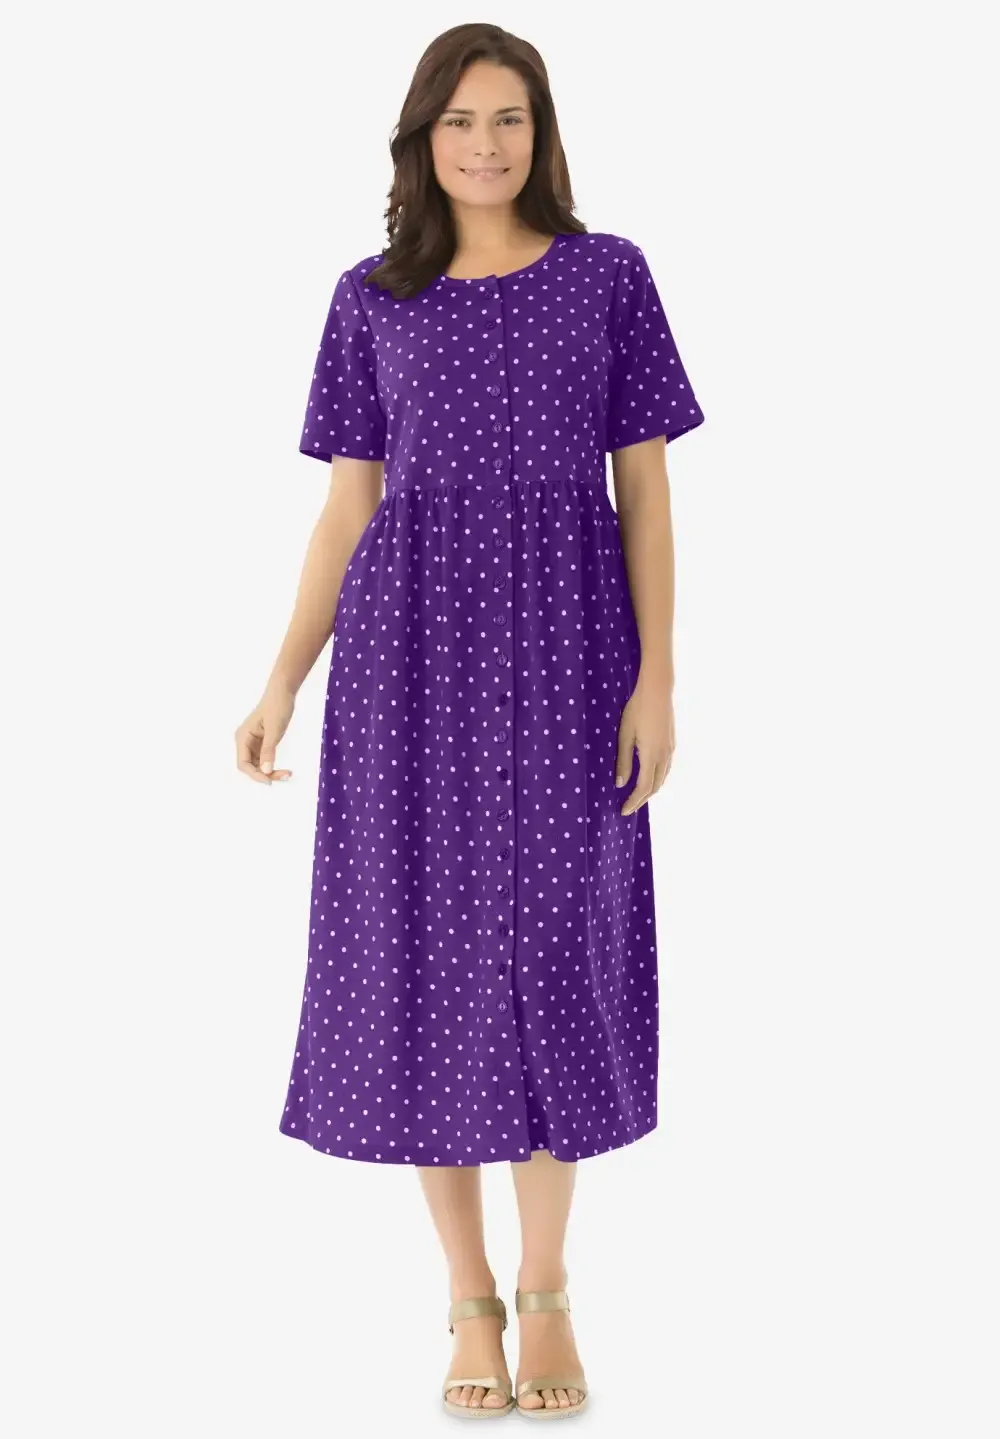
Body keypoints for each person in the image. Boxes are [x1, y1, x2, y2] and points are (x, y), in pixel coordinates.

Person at [235, 21, 705, 1422]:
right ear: (421, 138)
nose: (485, 144)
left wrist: (658, 677)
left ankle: (547, 1282)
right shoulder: (370, 295)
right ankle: (469, 1295)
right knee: (424, 968)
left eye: (508, 119)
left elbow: (646, 491)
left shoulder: (609, 274)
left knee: (558, 954)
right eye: (459, 121)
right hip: (408, 668)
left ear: (540, 133)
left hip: (571, 656)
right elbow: (347, 509)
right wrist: (282, 677)